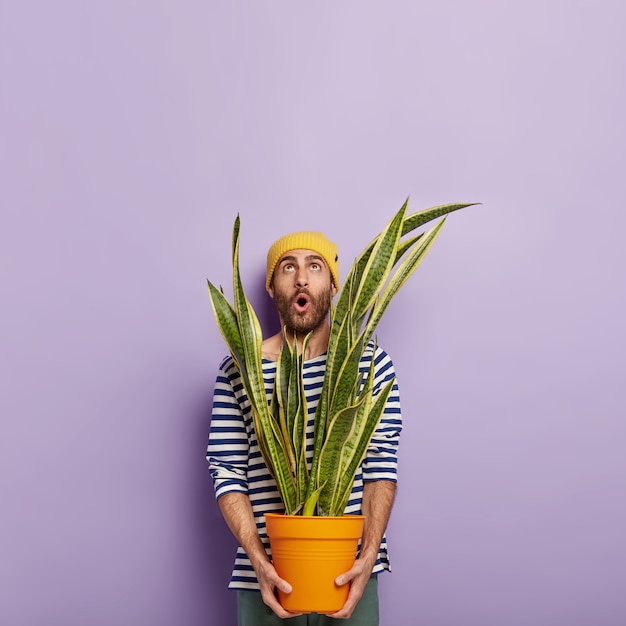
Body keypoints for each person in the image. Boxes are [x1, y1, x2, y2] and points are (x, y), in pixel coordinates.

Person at [207, 231, 402, 625]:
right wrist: (259, 562)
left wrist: (367, 559)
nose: (301, 277)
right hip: (265, 581)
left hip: (349, 579)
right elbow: (227, 472)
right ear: (272, 286)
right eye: (287, 266)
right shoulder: (239, 369)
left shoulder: (369, 363)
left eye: (315, 266)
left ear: (332, 284)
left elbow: (381, 468)